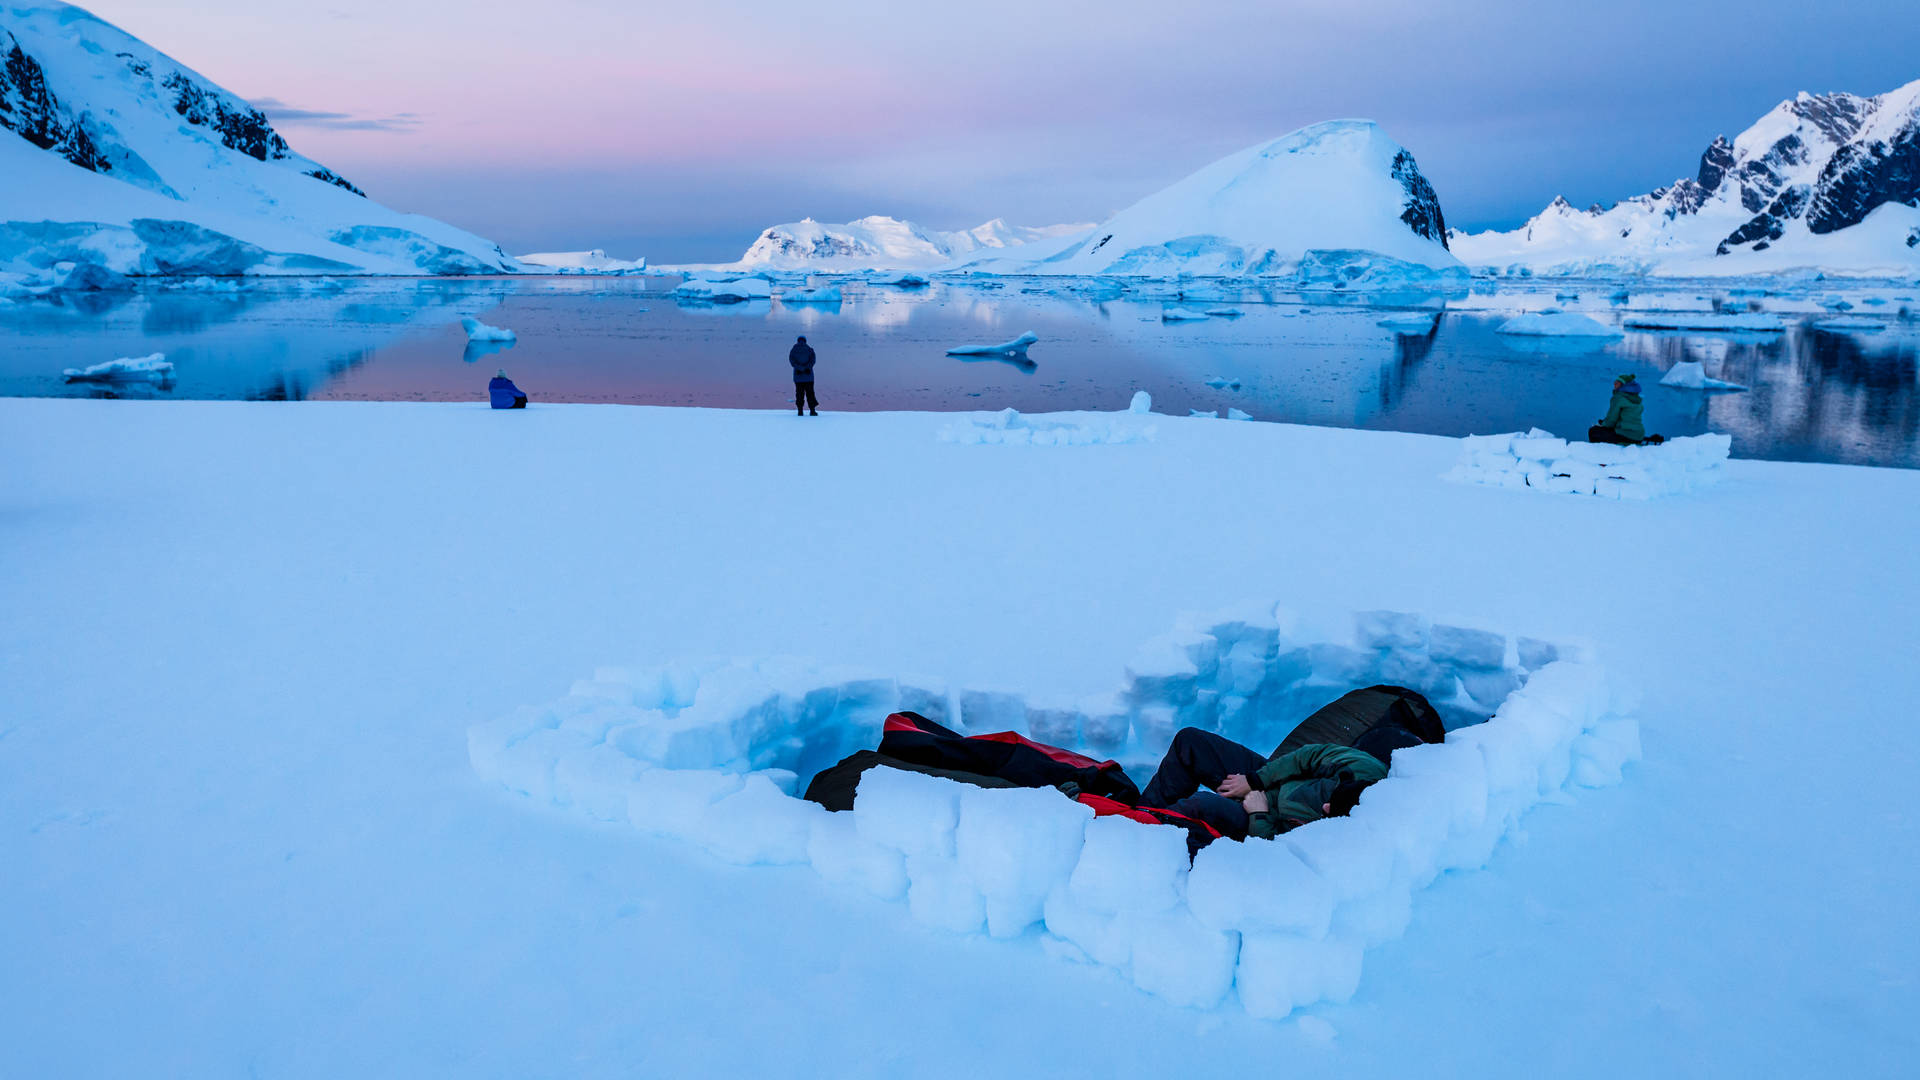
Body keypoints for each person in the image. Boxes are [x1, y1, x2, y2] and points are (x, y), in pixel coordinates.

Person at [1136, 726, 1405, 840]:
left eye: (1330, 811)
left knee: (1201, 806)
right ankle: (1136, 818)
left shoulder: (1343, 837)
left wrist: (1258, 814)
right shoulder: (1360, 768)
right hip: (1269, 781)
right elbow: (1307, 756)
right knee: (1191, 741)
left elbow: (1277, 852)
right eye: (1329, 800)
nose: (1324, 807)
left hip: (1262, 821)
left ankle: (1144, 838)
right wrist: (1253, 779)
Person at [1588, 373, 1652, 445]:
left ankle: (1598, 452)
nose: (1614, 384)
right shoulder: (1636, 399)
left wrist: (1602, 424)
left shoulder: (1618, 397)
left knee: (1593, 431)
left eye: (1617, 383)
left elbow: (1611, 421)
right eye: (1615, 382)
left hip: (1625, 435)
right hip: (1639, 436)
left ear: (1624, 385)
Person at [788, 335, 818, 416]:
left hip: (798, 377)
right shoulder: (809, 349)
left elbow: (792, 361)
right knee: (810, 393)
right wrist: (807, 368)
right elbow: (813, 360)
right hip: (809, 377)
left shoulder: (793, 350)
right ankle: (812, 411)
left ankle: (800, 411)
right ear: (805, 341)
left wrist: (800, 368)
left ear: (798, 341)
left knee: (799, 394)